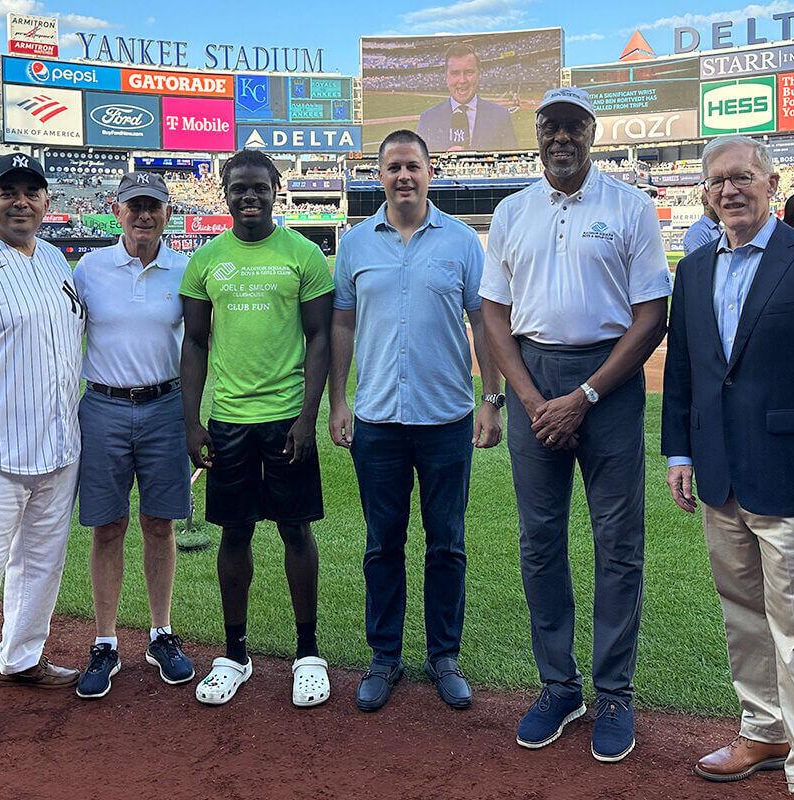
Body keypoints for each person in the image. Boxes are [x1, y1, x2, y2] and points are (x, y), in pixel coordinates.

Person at [479, 87, 671, 761]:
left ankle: (614, 692)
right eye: (550, 127)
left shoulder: (630, 205)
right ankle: (560, 687)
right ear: (537, 134)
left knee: (618, 543)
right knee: (540, 542)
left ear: (592, 134)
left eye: (574, 127)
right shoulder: (511, 210)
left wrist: (585, 394)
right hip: (536, 378)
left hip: (608, 384)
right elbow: (494, 314)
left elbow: (651, 314)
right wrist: (530, 400)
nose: (561, 137)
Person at [329, 129, 503, 712]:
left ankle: (443, 655)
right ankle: (385, 657)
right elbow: (343, 327)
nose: (404, 176)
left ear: (431, 172)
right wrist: (337, 401)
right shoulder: (354, 244)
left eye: (414, 166)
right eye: (394, 167)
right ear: (379, 174)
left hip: (447, 417)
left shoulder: (461, 241)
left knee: (447, 542)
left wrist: (492, 399)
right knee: (382, 544)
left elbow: (483, 324)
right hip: (376, 419)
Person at [662, 135, 794, 789]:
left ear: (772, 184)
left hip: (785, 470)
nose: (729, 189)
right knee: (742, 610)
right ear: (706, 196)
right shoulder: (694, 271)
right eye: (716, 182)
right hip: (718, 470)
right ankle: (765, 732)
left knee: (793, 619)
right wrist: (680, 453)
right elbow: (684, 370)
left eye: (742, 176)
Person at [180, 149, 333, 707]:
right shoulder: (205, 260)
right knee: (234, 533)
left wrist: (307, 416)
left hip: (286, 417)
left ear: (276, 189)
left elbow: (320, 337)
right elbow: (194, 342)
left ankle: (308, 653)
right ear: (224, 192)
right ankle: (235, 653)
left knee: (296, 531)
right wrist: (191, 424)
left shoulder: (304, 253)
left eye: (259, 187)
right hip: (229, 423)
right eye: (238, 187)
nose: (249, 196)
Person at [73, 172, 194, 699]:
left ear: (168, 213)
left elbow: (201, 347)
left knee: (160, 523)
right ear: (116, 210)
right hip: (102, 405)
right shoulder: (89, 268)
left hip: (165, 405)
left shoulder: (186, 270)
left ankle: (160, 633)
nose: (144, 215)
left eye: (154, 206)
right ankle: (105, 640)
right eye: (134, 206)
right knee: (107, 526)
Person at [0, 152, 84, 689]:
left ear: (47, 201)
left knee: (40, 564)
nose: (20, 201)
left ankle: (21, 657)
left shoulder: (54, 259)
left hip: (58, 445)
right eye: (8, 191)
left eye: (31, 191)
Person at [416, 43, 518, 153]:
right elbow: (418, 165)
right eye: (455, 73)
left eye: (469, 72)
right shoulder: (428, 119)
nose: (462, 80)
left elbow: (513, 162)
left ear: (479, 74)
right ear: (446, 76)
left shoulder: (501, 116)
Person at [682, 188, 721, 255]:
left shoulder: (719, 228)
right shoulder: (698, 231)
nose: (722, 205)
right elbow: (701, 262)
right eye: (717, 201)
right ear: (705, 203)